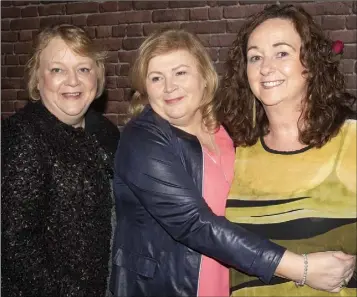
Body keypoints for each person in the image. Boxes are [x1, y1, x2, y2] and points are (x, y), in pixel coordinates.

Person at [110, 28, 355, 297]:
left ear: (204, 77)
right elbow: (193, 223)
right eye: (156, 78)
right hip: (171, 287)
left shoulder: (225, 130)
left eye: (180, 73)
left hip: (231, 281)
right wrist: (301, 268)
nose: (169, 87)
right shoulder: (142, 140)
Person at [220, 4, 357, 297]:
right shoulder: (234, 149)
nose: (266, 68)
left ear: (311, 62)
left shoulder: (351, 139)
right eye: (255, 57)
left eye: (281, 53)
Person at [1, 24, 120, 297]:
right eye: (57, 70)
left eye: (83, 69)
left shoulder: (105, 132)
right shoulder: (23, 137)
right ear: (37, 79)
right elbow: (15, 245)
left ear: (97, 77)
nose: (73, 81)